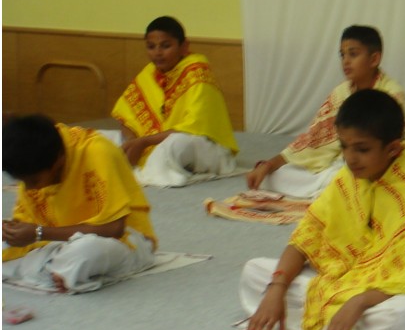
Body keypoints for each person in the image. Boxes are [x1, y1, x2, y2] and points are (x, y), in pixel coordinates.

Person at [242, 90, 405, 330]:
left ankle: (323, 322)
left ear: (392, 149)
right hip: (345, 277)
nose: (350, 158)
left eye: (362, 149)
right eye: (344, 147)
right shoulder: (350, 176)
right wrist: (276, 288)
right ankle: (334, 325)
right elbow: (305, 238)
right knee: (254, 272)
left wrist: (359, 302)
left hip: (394, 292)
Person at [247, 25, 405, 199]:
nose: (345, 61)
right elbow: (312, 141)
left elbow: (398, 149)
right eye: (342, 55)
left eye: (353, 54)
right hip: (342, 166)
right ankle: (338, 191)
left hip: (377, 170)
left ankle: (347, 192)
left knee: (341, 180)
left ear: (374, 59)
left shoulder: (393, 94)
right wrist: (269, 165)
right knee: (277, 175)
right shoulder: (340, 93)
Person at [2, 115, 156, 293]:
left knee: (87, 250)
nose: (29, 188)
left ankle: (48, 268)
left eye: (35, 181)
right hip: (55, 240)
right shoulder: (34, 159)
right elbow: (28, 220)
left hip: (123, 240)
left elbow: (114, 229)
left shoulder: (96, 151)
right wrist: (10, 230)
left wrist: (39, 233)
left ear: (59, 159)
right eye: (23, 182)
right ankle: (56, 270)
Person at [111, 16, 238, 187]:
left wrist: (143, 142)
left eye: (165, 46)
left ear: (184, 46)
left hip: (206, 148)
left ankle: (150, 175)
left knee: (175, 144)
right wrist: (131, 142)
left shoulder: (197, 71)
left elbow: (191, 130)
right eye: (151, 47)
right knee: (102, 138)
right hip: (156, 142)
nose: (157, 53)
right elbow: (126, 115)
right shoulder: (150, 72)